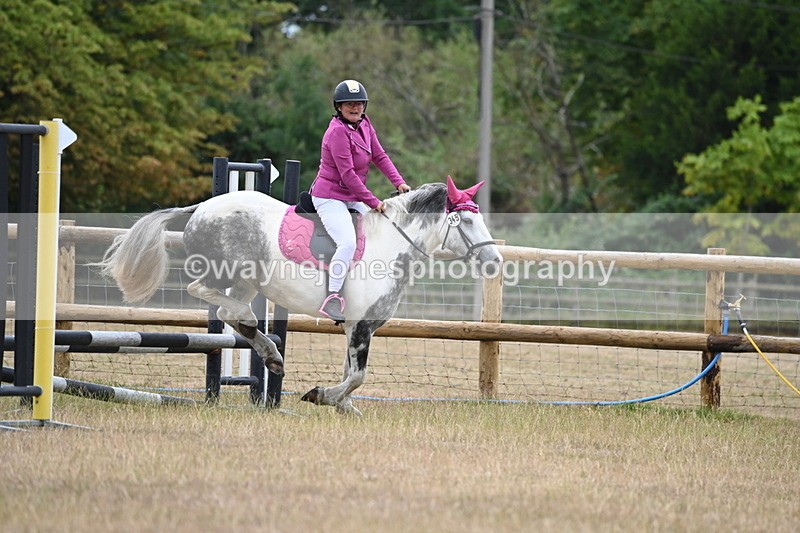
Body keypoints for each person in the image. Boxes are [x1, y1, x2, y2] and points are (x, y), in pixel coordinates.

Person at [311, 79, 411, 322]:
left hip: (351, 196)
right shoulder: (336, 132)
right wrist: (374, 201)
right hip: (330, 196)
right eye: (349, 104)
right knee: (347, 242)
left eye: (359, 103)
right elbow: (348, 176)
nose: (355, 108)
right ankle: (332, 296)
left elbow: (380, 155)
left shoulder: (365, 124)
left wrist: (398, 182)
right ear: (339, 107)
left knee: (380, 230)